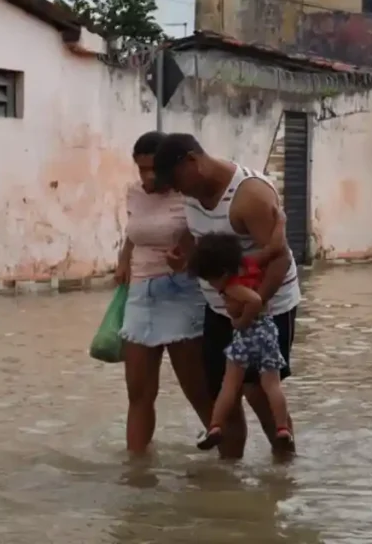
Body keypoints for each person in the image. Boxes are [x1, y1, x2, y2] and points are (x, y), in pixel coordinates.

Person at [151, 133, 300, 459]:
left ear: (192, 161)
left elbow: (281, 258)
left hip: (266, 308)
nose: (176, 191)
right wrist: (186, 259)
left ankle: (282, 477)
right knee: (223, 392)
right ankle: (228, 481)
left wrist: (251, 307)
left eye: (176, 181)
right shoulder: (192, 194)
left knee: (259, 393)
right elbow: (200, 236)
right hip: (220, 308)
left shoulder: (250, 197)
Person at [114, 131, 213, 456]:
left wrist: (189, 255)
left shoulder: (189, 195)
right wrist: (124, 259)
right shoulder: (134, 194)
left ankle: (226, 462)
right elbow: (134, 232)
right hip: (141, 294)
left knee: (197, 390)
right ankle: (136, 470)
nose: (146, 177)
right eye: (140, 169)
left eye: (152, 169)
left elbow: (208, 239)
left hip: (181, 293)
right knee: (138, 393)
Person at [188, 231, 295, 453]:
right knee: (271, 386)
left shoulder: (230, 287)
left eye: (210, 278)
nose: (211, 284)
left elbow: (255, 300)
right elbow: (273, 247)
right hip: (267, 332)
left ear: (222, 272)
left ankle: (216, 427)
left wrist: (240, 322)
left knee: (229, 384)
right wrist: (280, 221)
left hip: (245, 336)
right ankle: (282, 428)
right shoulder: (249, 264)